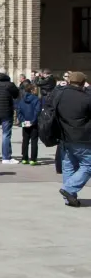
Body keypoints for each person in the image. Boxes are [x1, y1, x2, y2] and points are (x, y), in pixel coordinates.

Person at [53, 72, 91, 207]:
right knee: (88, 165)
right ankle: (69, 189)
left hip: (64, 136)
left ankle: (69, 198)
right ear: (83, 83)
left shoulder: (59, 95)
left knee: (69, 165)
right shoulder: (86, 97)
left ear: (69, 81)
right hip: (82, 137)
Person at [16, 82, 42, 165]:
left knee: (25, 140)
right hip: (34, 122)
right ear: (32, 90)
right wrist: (33, 121)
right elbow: (37, 111)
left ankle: (24, 158)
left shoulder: (22, 99)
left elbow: (19, 111)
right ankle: (33, 159)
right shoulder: (36, 99)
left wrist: (22, 120)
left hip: (25, 121)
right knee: (34, 140)